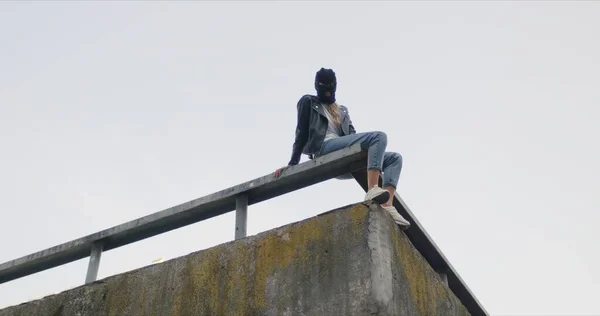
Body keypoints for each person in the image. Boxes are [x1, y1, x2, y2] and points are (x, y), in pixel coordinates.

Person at [274, 68, 410, 229]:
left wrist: (368, 157)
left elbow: (353, 137)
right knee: (379, 137)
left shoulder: (342, 110)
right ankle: (372, 189)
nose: (327, 91)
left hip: (345, 156)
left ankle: (387, 205)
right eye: (323, 86)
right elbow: (301, 133)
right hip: (323, 149)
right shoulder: (308, 102)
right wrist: (292, 163)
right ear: (317, 86)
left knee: (395, 158)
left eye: (331, 86)